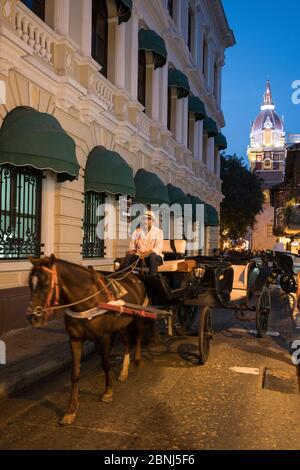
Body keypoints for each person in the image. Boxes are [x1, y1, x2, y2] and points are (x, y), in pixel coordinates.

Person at [120, 210, 164, 275]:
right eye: (144, 219)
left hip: (154, 259)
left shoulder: (158, 232)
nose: (145, 221)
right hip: (139, 258)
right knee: (127, 258)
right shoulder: (136, 232)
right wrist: (131, 251)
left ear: (153, 221)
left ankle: (153, 279)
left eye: (148, 219)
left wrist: (145, 254)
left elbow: (158, 249)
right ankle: (127, 278)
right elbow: (132, 247)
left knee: (153, 257)